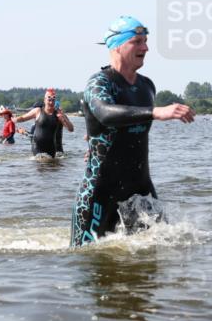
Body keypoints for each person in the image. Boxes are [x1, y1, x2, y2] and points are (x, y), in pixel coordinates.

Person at [70, 16, 195, 246]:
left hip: (141, 188)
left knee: (160, 254)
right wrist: (155, 112)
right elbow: (105, 113)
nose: (145, 48)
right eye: (137, 42)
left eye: (145, 41)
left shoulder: (147, 86)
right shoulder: (99, 83)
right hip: (100, 193)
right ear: (117, 45)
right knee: (87, 260)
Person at [14, 88, 73, 157]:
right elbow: (23, 118)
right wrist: (14, 120)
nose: (51, 102)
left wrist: (63, 119)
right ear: (44, 100)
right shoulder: (37, 112)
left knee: (51, 162)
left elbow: (71, 129)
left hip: (53, 149)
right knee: (41, 161)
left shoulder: (59, 114)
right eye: (49, 100)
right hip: (38, 149)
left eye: (53, 100)